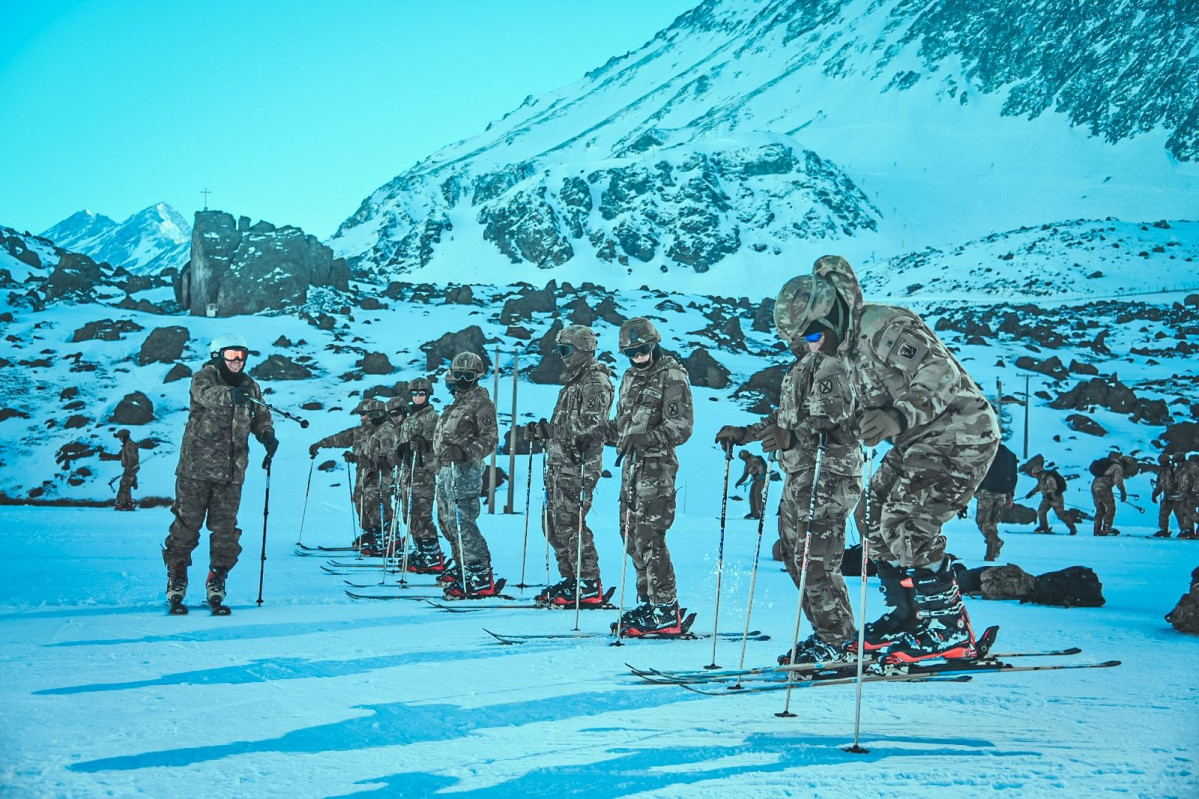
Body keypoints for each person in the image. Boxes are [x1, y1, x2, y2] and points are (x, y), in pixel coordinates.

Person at [773, 255, 1000, 662]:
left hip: (960, 432)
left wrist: (896, 415)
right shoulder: (839, 351)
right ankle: (907, 614)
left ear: (827, 316)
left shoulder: (883, 326)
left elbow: (940, 373)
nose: (810, 347)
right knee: (874, 517)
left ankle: (949, 630)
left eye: (810, 337)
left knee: (907, 521)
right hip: (915, 441)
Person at [717, 348, 863, 664]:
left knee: (816, 560)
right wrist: (745, 434)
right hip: (798, 472)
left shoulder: (833, 365)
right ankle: (827, 631)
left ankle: (840, 640)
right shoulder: (800, 367)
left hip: (830, 472)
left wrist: (793, 436)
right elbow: (783, 417)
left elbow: (834, 419)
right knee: (792, 555)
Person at [162, 334, 277, 611]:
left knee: (225, 530)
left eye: (242, 355)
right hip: (196, 469)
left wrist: (267, 436)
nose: (237, 361)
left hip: (231, 472)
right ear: (217, 356)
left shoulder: (250, 386)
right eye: (231, 356)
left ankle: (218, 578)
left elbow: (260, 416)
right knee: (186, 525)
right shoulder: (204, 378)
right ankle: (177, 575)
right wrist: (231, 396)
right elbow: (207, 396)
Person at [609, 317, 694, 636]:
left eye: (643, 350)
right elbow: (622, 425)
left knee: (650, 535)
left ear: (654, 344)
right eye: (631, 352)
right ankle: (647, 601)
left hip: (656, 469)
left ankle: (665, 606)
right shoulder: (629, 377)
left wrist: (647, 438)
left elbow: (682, 425)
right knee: (630, 536)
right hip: (630, 470)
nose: (637, 357)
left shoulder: (671, 374)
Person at [527, 324, 614, 607]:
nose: (562, 356)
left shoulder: (594, 382)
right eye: (560, 350)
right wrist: (544, 433)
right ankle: (572, 578)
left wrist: (552, 431)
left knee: (570, 522)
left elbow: (591, 425)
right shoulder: (573, 382)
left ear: (582, 350)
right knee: (552, 524)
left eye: (566, 350)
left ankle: (588, 581)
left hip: (579, 463)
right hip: (559, 463)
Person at [434, 352, 501, 598]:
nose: (462, 379)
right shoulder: (457, 403)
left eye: (468, 375)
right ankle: (464, 569)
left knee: (463, 523)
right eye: (458, 375)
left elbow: (491, 440)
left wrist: (464, 452)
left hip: (465, 473)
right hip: (446, 473)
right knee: (449, 522)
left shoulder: (481, 403)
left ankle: (480, 574)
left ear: (477, 376)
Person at [309, 399, 398, 556]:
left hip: (379, 477)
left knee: (375, 505)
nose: (364, 417)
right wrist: (321, 444)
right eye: (363, 414)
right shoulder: (361, 432)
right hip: (363, 476)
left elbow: (389, 458)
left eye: (367, 414)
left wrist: (369, 462)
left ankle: (386, 539)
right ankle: (372, 535)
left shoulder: (386, 431)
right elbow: (342, 438)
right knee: (360, 503)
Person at [395, 377, 444, 573]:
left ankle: (432, 555)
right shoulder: (410, 418)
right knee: (410, 515)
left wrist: (424, 445)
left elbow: (438, 443)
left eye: (421, 393)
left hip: (423, 473)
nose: (417, 397)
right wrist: (402, 449)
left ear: (428, 394)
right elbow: (403, 441)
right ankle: (422, 551)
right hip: (408, 472)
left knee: (421, 514)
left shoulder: (432, 417)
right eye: (414, 393)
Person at [974, 442, 1018, 558]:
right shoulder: (1010, 455)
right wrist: (1010, 495)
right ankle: (990, 554)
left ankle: (995, 541)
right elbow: (1014, 477)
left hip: (986, 492)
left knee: (983, 522)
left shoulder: (987, 452)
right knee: (993, 523)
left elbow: (978, 471)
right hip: (1002, 494)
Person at [1024, 461, 1077, 536]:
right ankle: (1044, 527)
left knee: (1060, 515)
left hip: (1055, 498)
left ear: (1039, 473)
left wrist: (1049, 494)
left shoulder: (1048, 477)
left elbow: (1053, 487)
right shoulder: (1041, 479)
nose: (1034, 476)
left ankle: (1072, 528)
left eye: (1035, 474)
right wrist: (1031, 493)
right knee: (1041, 511)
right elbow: (1039, 487)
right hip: (1047, 498)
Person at [1090, 449, 1127, 536]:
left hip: (1094, 486)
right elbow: (1118, 480)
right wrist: (1122, 491)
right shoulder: (1116, 466)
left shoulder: (1105, 465)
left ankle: (1096, 528)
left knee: (1100, 508)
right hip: (1104, 487)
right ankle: (1107, 528)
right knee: (1111, 507)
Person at [101, 429, 140, 511]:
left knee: (124, 483)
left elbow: (132, 459)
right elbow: (119, 456)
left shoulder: (130, 446)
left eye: (120, 437)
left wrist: (129, 470)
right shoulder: (126, 445)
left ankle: (122, 503)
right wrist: (107, 456)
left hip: (131, 468)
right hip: (129, 468)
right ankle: (127, 503)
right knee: (126, 484)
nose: (119, 439)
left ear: (124, 437)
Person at [734, 450, 768, 519]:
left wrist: (761, 476)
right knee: (751, 495)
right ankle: (754, 513)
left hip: (762, 479)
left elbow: (761, 468)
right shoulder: (748, 464)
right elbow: (745, 475)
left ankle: (759, 512)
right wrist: (739, 482)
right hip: (756, 479)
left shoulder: (754, 460)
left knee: (757, 494)